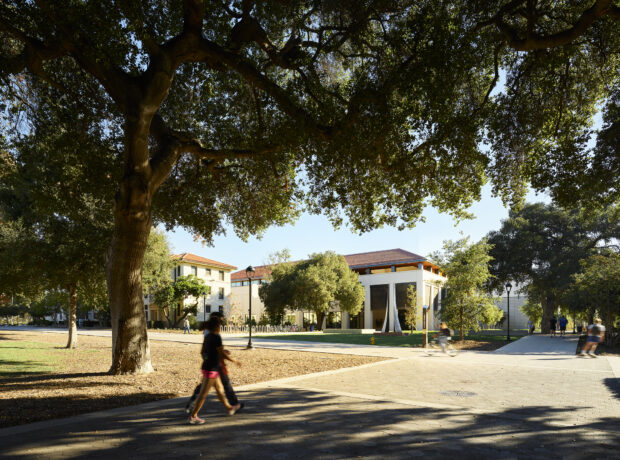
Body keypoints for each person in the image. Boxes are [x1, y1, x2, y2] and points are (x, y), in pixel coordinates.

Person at [187, 316, 242, 424]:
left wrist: (210, 358)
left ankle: (229, 407)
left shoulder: (207, 336)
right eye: (220, 325)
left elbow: (202, 352)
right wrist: (234, 360)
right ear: (217, 326)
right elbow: (222, 354)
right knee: (203, 394)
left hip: (209, 367)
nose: (221, 327)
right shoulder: (216, 337)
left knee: (219, 389)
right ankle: (193, 416)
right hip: (211, 369)